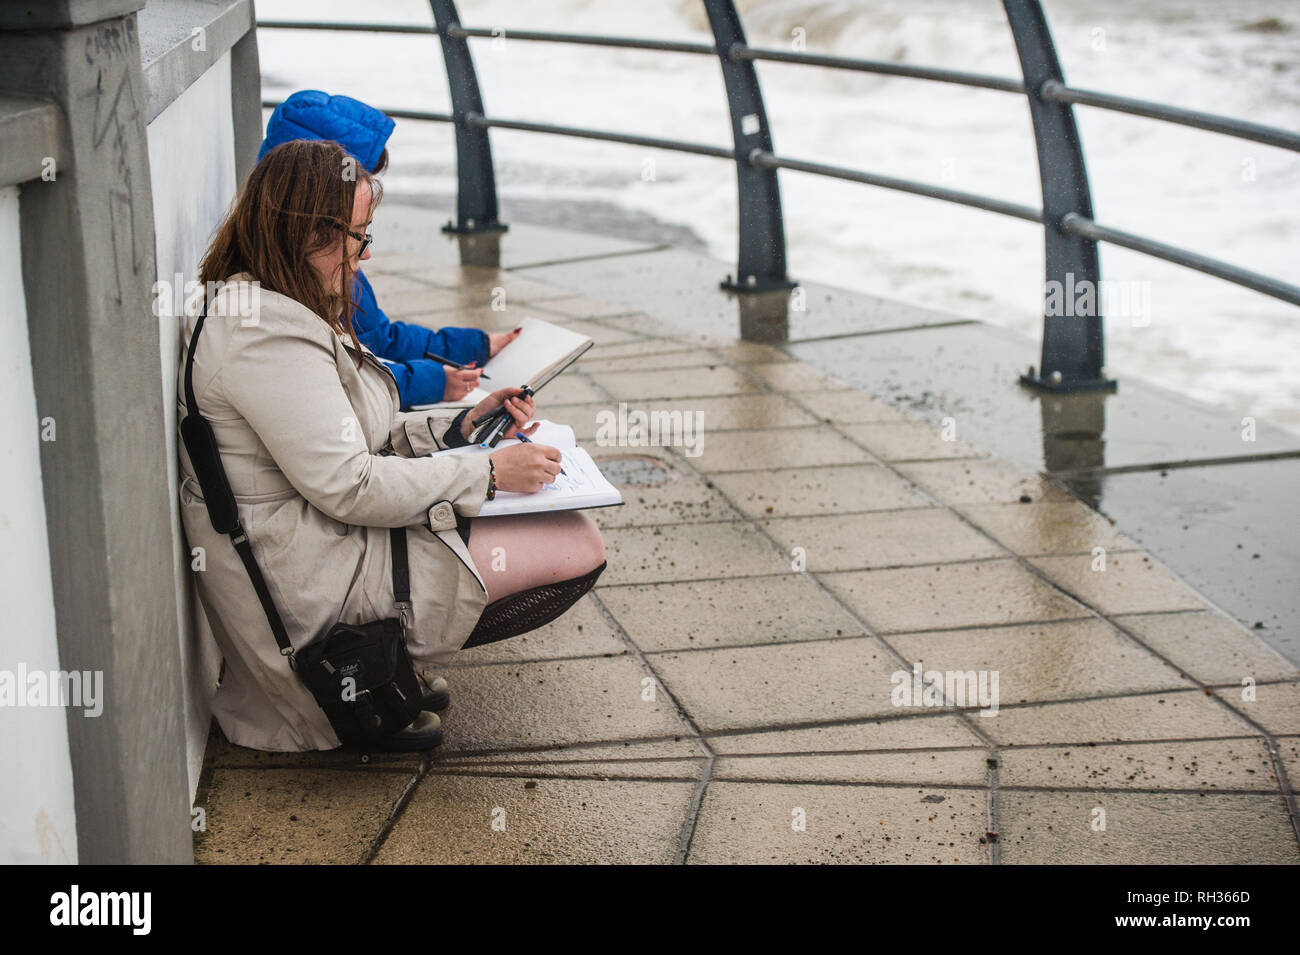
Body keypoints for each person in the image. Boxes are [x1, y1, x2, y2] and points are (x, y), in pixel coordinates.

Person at [179, 139, 605, 752]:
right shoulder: (263, 337)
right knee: (574, 544)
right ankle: (356, 682)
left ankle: (386, 672)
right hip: (308, 584)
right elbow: (350, 485)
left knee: (564, 533)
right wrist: (486, 474)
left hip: (315, 545)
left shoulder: (267, 303)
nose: (364, 255)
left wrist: (459, 428)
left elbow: (349, 438)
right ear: (308, 234)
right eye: (359, 236)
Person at [258, 89, 520, 405]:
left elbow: (380, 338)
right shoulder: (295, 285)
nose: (366, 251)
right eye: (360, 180)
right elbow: (343, 385)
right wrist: (436, 382)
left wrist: (476, 346)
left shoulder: (331, 261)